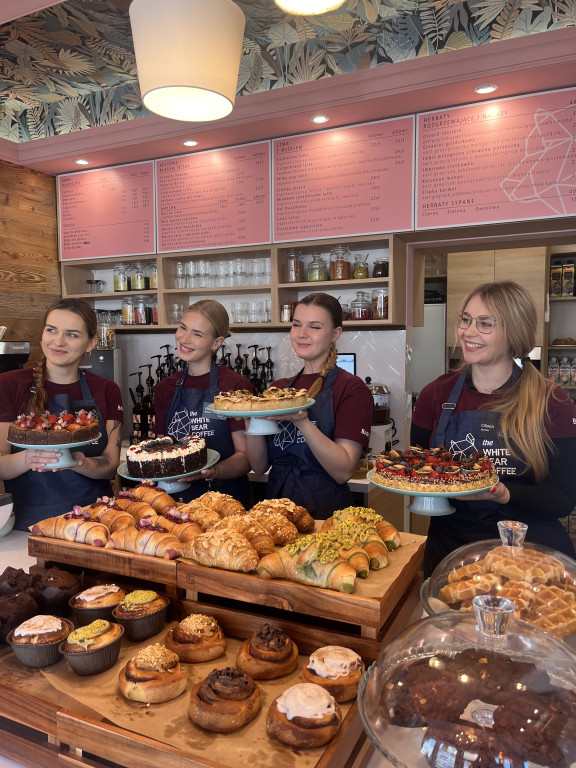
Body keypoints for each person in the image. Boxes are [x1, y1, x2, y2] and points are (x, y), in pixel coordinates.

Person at [411, 280, 576, 577]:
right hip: (451, 551)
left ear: (514, 331)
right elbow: (421, 471)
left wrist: (504, 494)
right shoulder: (434, 395)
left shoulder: (553, 402)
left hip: (530, 557)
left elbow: (563, 498)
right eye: (465, 319)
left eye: (485, 323)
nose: (468, 332)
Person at [245, 292, 373, 519]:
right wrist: (251, 418)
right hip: (276, 512)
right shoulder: (279, 389)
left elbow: (343, 471)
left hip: (326, 515)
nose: (302, 334)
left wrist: (302, 421)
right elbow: (259, 465)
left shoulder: (351, 389)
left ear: (335, 334)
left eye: (314, 327)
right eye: (296, 325)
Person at [0, 298, 124, 530]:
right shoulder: (8, 385)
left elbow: (111, 463)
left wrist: (79, 462)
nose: (58, 341)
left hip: (96, 521)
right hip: (29, 524)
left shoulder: (107, 389)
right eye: (52, 330)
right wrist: (29, 459)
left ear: (91, 343)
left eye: (72, 334)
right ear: (43, 334)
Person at [154, 300, 255, 506]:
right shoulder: (166, 388)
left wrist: (211, 472)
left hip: (225, 501)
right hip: (176, 502)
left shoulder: (234, 386)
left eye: (197, 334)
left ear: (216, 343)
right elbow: (161, 447)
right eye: (182, 327)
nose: (184, 338)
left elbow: (246, 457)